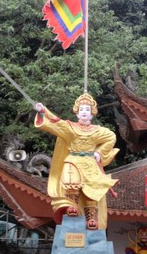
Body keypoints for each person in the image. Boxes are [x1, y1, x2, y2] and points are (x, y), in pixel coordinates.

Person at [34, 93, 118, 230]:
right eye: (82, 110)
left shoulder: (98, 131)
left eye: (87, 110)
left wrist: (99, 153)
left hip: (89, 162)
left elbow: (111, 137)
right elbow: (55, 122)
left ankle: (91, 217)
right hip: (73, 160)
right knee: (71, 182)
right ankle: (72, 205)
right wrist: (43, 111)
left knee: (93, 188)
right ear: (77, 113)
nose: (84, 112)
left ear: (92, 114)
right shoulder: (69, 127)